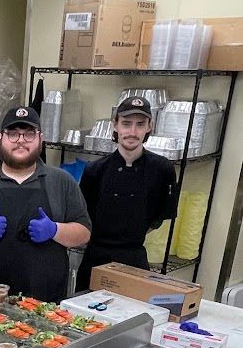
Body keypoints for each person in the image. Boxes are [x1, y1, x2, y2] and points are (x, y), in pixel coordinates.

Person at [0, 106, 91, 305]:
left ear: (40, 138)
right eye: (13, 134)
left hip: (45, 305)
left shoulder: (61, 182)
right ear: (0, 138)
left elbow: (84, 233)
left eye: (28, 134)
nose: (20, 140)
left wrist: (55, 230)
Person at [76, 96, 178, 290]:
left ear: (150, 126)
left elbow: (159, 217)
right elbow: (83, 216)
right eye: (126, 123)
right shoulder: (95, 170)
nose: (132, 131)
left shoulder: (162, 169)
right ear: (115, 125)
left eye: (140, 124)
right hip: (95, 259)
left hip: (134, 259)